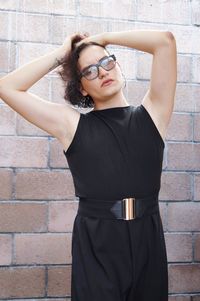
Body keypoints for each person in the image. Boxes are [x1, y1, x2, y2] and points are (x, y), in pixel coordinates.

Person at [0, 30, 177, 301]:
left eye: (107, 62)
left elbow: (164, 41)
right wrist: (63, 53)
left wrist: (104, 38)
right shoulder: (71, 125)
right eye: (90, 71)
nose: (103, 72)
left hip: (148, 236)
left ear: (117, 65)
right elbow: (7, 87)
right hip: (97, 240)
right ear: (82, 87)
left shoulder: (153, 113)